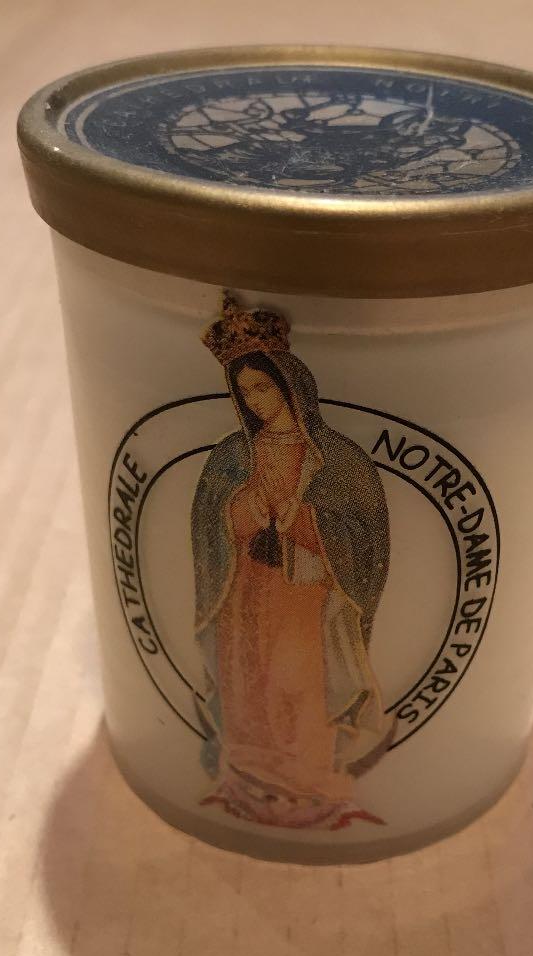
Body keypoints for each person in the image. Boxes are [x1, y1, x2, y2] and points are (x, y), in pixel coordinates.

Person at [191, 293, 393, 830]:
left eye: (264, 387)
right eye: (246, 392)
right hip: (245, 586)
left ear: (290, 385)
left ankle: (306, 779)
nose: (256, 401)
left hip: (304, 591)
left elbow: (363, 536)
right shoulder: (233, 455)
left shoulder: (337, 458)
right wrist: (243, 508)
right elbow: (210, 521)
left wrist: (305, 521)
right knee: (248, 680)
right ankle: (250, 772)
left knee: (296, 682)